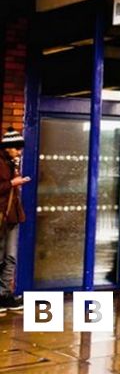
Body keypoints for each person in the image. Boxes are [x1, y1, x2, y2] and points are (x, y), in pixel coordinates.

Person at [0, 128, 30, 310]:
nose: (19, 152)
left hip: (12, 216)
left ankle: (4, 294)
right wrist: (12, 183)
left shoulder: (12, 163)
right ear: (7, 147)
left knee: (11, 257)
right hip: (2, 216)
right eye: (16, 148)